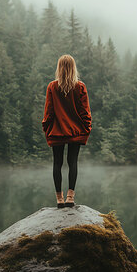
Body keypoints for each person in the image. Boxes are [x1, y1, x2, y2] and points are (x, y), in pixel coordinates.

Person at [42, 54, 92, 208]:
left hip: (57, 131)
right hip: (75, 131)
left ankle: (59, 199)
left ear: (59, 68)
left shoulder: (52, 86)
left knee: (57, 163)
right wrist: (87, 128)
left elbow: (49, 111)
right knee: (73, 162)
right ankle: (70, 197)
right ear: (73, 68)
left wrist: (46, 126)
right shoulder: (80, 86)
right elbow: (85, 112)